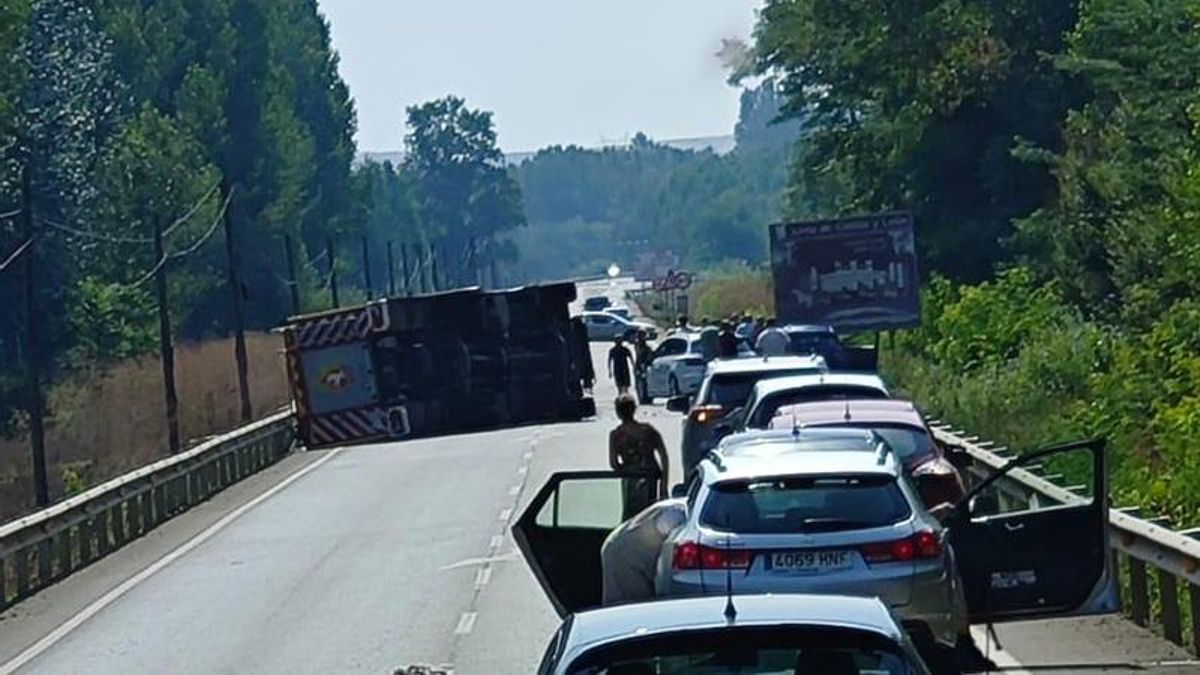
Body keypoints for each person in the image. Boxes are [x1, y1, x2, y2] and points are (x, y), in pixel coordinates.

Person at [600, 498, 687, 605]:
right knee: (630, 608)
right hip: (627, 553)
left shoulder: (680, 506)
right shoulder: (679, 513)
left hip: (619, 541)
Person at [609, 394, 670, 519]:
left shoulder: (616, 435)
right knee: (650, 515)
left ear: (618, 412)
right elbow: (664, 456)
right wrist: (663, 485)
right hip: (651, 476)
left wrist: (627, 468)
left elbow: (614, 463)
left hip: (631, 478)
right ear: (634, 409)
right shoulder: (648, 430)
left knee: (631, 516)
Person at [633, 329, 653, 403]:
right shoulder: (639, 345)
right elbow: (640, 354)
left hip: (643, 365)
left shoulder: (644, 346)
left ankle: (644, 397)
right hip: (640, 365)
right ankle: (642, 398)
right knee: (640, 382)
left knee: (644, 382)